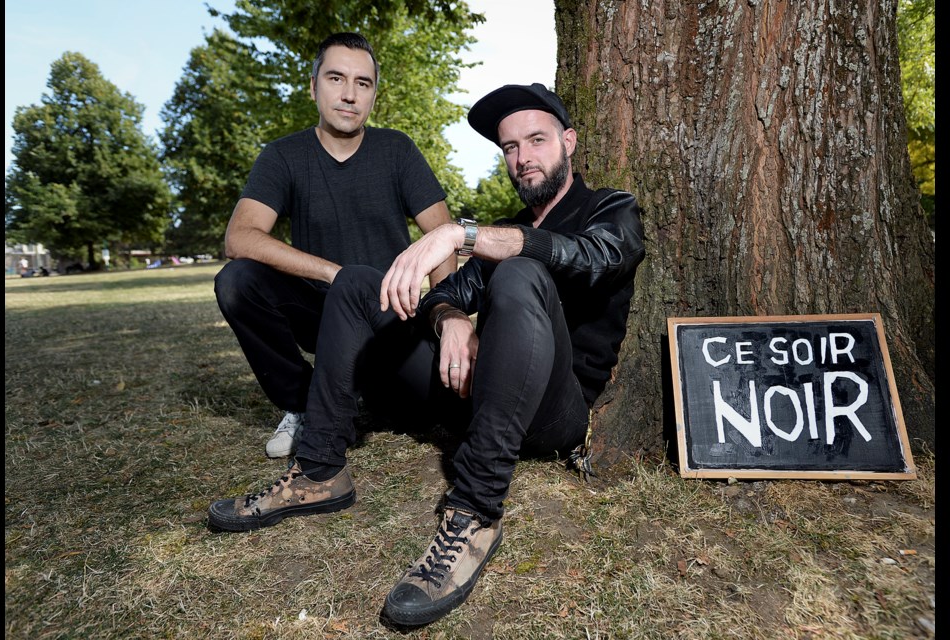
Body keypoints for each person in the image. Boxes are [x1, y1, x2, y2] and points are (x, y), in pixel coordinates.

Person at [208, 83, 646, 626]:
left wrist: (465, 235)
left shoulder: (610, 208)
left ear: (569, 141)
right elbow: (444, 293)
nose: (523, 157)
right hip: (479, 397)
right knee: (360, 284)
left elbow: (594, 255)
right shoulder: (508, 226)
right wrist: (452, 318)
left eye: (536, 140)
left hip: (553, 413)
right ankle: (320, 469)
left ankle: (475, 512)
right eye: (510, 147)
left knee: (521, 269)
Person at [213, 32, 455, 459]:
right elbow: (240, 237)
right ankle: (302, 401)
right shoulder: (283, 156)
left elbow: (442, 234)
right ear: (313, 87)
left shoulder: (397, 149)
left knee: (418, 413)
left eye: (363, 83)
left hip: (388, 314)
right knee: (236, 280)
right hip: (321, 313)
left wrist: (446, 316)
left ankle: (358, 390)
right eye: (336, 78)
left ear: (374, 95)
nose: (349, 94)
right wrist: (334, 274)